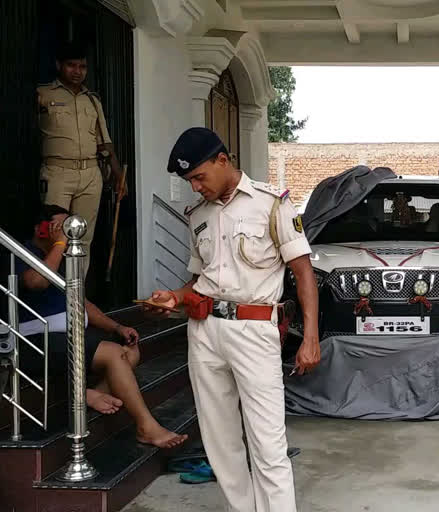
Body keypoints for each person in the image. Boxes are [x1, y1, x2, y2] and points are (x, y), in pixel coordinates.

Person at [146, 127, 320, 512]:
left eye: (199, 177)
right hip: (205, 331)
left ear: (223, 160)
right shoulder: (198, 216)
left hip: (254, 330)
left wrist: (311, 337)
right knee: (221, 442)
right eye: (189, 181)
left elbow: (303, 272)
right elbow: (198, 281)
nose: (195, 187)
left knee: (268, 443)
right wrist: (174, 297)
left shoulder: (271, 204)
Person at [17, 205, 187, 448]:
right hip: (35, 339)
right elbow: (37, 282)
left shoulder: (61, 258)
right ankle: (146, 427)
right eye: (63, 226)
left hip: (68, 335)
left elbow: (81, 302)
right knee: (113, 354)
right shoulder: (23, 252)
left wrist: (117, 327)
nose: (68, 232)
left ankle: (88, 394)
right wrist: (59, 245)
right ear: (41, 228)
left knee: (130, 348)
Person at [37, 41, 126, 277]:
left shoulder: (93, 100)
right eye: (71, 65)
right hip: (57, 173)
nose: (77, 71)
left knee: (83, 239)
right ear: (59, 65)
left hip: (90, 174)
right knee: (54, 236)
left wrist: (119, 176)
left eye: (82, 67)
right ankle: (53, 295)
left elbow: (104, 142)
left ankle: (76, 296)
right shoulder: (42, 95)